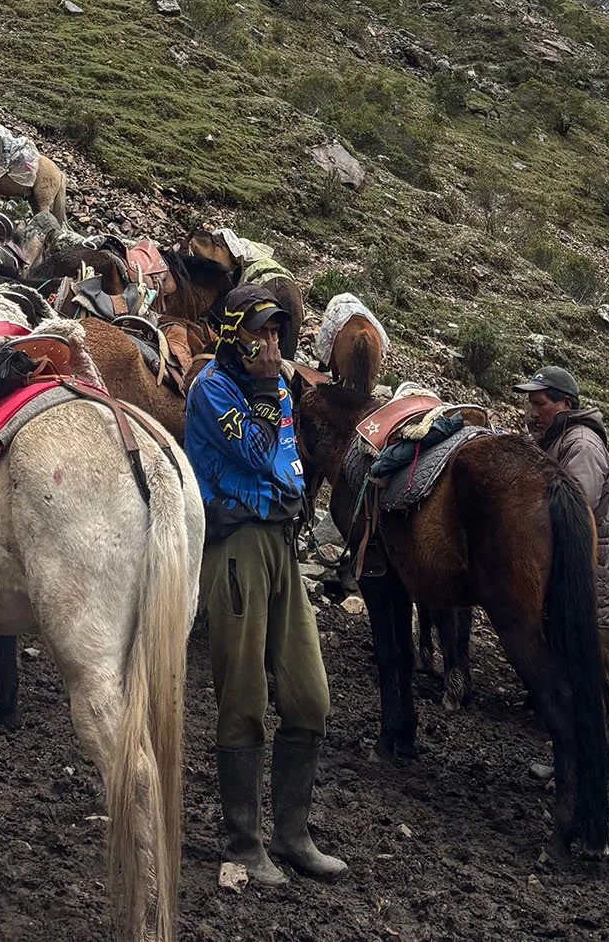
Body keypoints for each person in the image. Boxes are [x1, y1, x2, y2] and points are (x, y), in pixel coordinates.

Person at [183, 284, 346, 885]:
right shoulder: (213, 389)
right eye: (259, 329)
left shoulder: (273, 385)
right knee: (243, 693)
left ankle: (293, 834)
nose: (271, 341)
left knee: (309, 693)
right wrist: (262, 385)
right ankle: (243, 841)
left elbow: (287, 458)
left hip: (279, 540)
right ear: (233, 333)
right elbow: (255, 452)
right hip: (237, 545)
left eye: (276, 330)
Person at [513, 363, 609, 630]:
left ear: (565, 404)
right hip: (561, 576)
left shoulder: (582, 445)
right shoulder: (553, 439)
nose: (532, 414)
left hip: (578, 582)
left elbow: (574, 513)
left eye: (540, 405)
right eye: (530, 405)